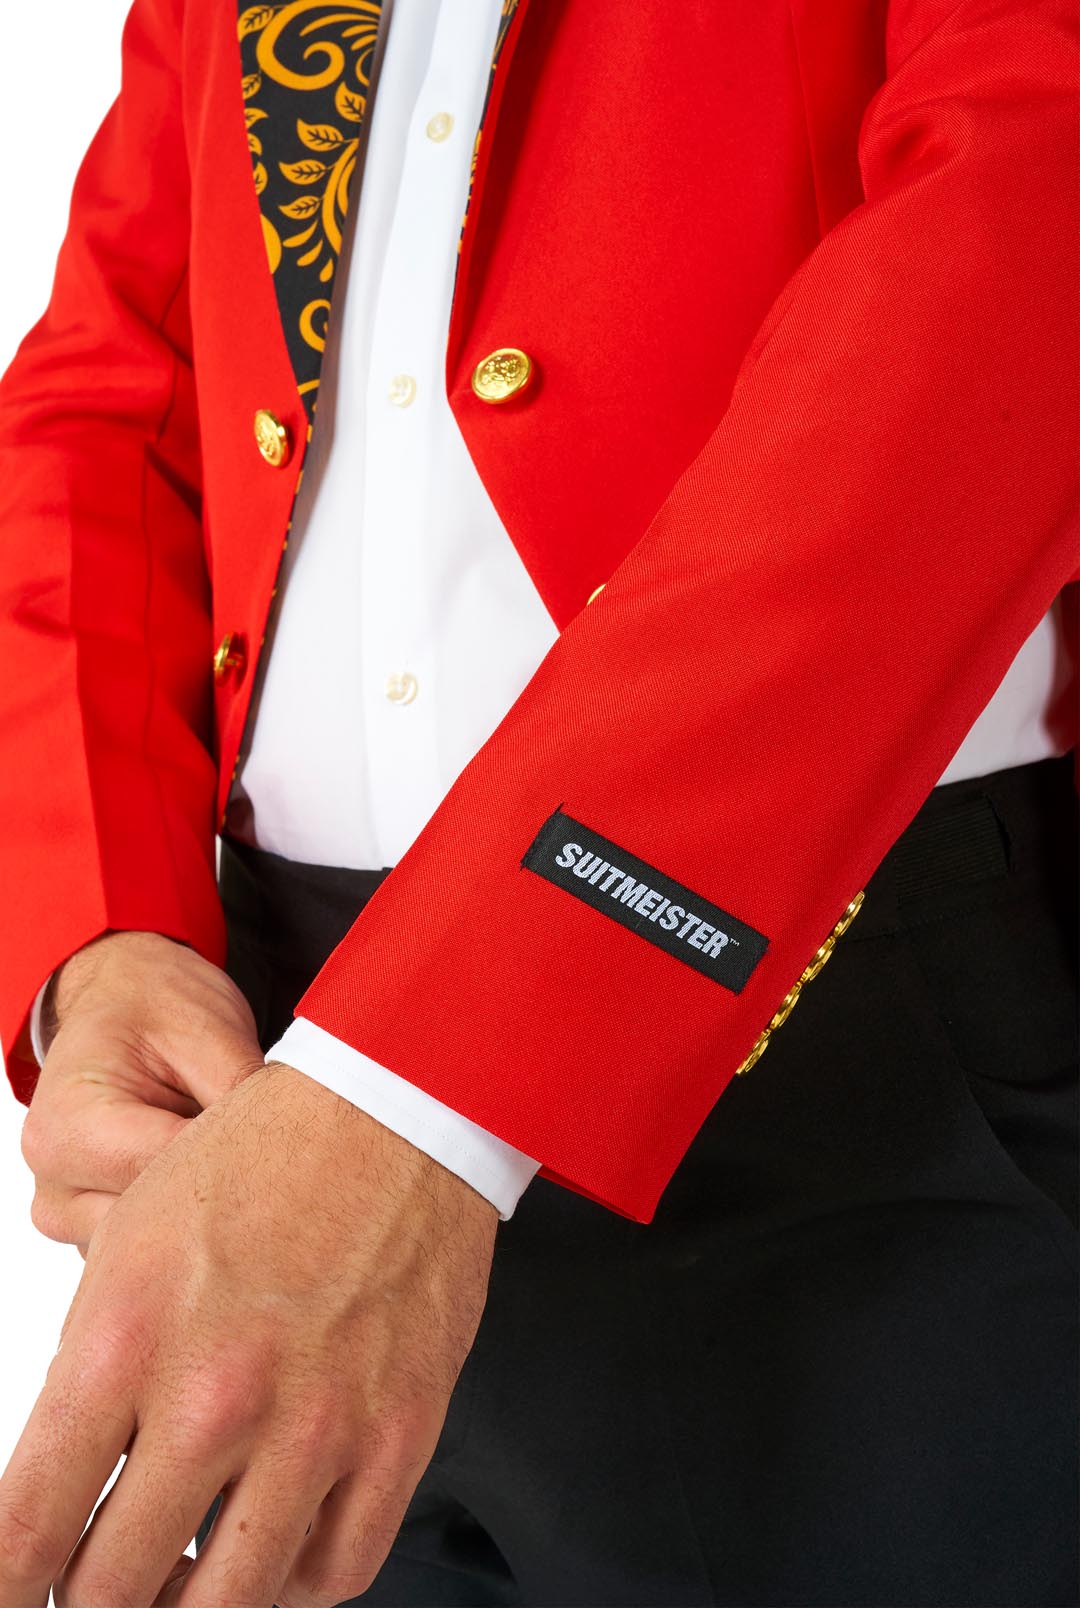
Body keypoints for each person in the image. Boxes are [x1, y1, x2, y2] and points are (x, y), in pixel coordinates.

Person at [0, 0, 1076, 1603]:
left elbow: (1020, 251)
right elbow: (108, 395)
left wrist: (427, 1081)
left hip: (840, 1029)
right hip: (275, 1066)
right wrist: (104, 936)